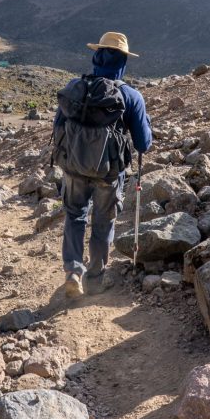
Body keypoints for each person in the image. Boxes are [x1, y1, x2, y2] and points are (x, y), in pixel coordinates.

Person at [54, 31, 152, 298]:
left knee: (75, 214)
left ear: (97, 56)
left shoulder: (76, 87)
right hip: (108, 172)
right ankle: (95, 280)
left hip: (73, 167)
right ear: (123, 62)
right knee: (103, 222)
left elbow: (58, 126)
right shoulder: (130, 96)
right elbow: (143, 144)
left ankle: (73, 272)